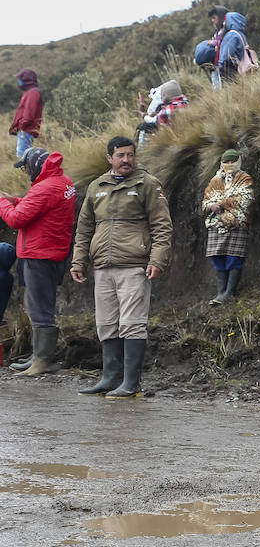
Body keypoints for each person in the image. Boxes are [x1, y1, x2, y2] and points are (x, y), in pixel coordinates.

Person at [70, 136, 173, 399]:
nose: (126, 160)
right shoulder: (96, 187)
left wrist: (156, 260)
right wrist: (78, 261)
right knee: (106, 324)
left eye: (130, 155)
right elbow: (83, 229)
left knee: (132, 324)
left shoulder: (147, 184)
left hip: (134, 266)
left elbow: (162, 226)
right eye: (120, 155)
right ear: (109, 158)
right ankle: (109, 378)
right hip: (103, 265)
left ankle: (131, 383)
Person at [0, 147, 76, 377]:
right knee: (40, 305)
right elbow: (39, 205)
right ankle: (37, 356)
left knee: (39, 308)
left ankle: (43, 360)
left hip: (39, 254)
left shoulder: (45, 187)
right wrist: (14, 199)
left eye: (25, 167)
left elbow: (15, 218)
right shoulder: (62, 182)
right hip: (50, 252)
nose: (25, 172)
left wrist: (2, 202)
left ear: (35, 164)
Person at [202, 149, 253, 306]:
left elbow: (245, 199)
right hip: (216, 225)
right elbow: (206, 201)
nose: (229, 165)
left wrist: (222, 204)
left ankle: (229, 292)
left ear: (238, 161)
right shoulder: (214, 181)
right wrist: (212, 206)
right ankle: (221, 291)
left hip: (236, 224)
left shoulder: (244, 179)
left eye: (233, 161)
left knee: (234, 257)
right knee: (217, 257)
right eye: (227, 162)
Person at [137, 80, 189, 147]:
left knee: (144, 126)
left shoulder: (168, 111)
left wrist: (143, 115)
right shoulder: (184, 101)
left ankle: (141, 149)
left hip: (174, 138)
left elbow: (154, 120)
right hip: (184, 130)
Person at [10, 69, 42, 158]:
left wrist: (21, 126)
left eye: (20, 78)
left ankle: (27, 172)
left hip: (26, 129)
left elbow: (29, 113)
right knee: (23, 155)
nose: (18, 81)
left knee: (23, 156)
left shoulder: (33, 92)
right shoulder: (28, 92)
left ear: (26, 79)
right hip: (24, 129)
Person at [197, 6, 230, 89]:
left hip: (223, 62)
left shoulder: (225, 30)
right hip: (216, 62)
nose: (213, 20)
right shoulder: (218, 31)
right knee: (217, 83)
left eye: (214, 18)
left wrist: (212, 43)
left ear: (221, 17)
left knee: (222, 83)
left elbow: (223, 42)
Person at [218, 11, 250, 82]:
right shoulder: (240, 34)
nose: (224, 23)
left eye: (225, 20)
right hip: (241, 69)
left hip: (231, 70)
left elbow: (226, 55)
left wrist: (220, 65)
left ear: (231, 21)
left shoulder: (231, 35)